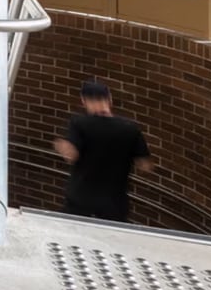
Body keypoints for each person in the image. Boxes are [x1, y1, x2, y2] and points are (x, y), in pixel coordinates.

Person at [55, 79, 153, 222]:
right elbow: (145, 165)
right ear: (109, 99)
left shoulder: (80, 123)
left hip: (80, 202)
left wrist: (60, 145)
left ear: (84, 101)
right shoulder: (130, 128)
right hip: (114, 206)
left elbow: (71, 155)